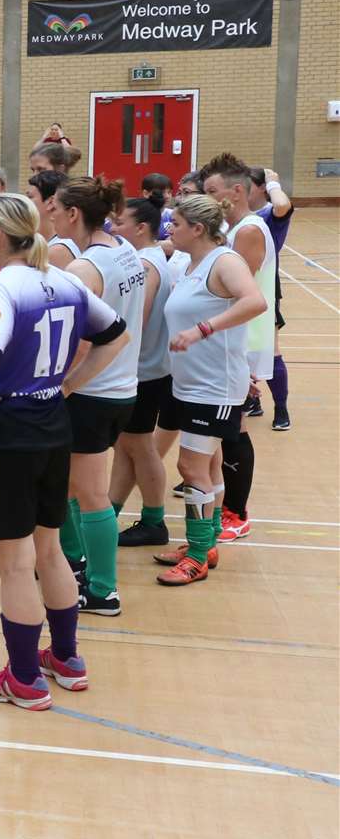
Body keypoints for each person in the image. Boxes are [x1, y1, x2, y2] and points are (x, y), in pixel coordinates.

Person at [0, 193, 128, 710]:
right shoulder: (66, 281)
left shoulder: (0, 289)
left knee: (14, 564)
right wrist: (69, 386)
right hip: (54, 424)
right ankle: (67, 659)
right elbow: (115, 336)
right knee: (49, 548)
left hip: (6, 432)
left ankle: (25, 679)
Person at [151, 193, 265, 585]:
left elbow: (255, 301)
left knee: (190, 467)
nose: (170, 229)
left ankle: (197, 554)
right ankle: (207, 542)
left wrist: (203, 330)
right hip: (192, 383)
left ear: (198, 229)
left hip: (213, 387)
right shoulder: (192, 262)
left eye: (177, 224)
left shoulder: (225, 260)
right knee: (210, 463)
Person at [52, 176, 146, 617]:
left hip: (93, 393)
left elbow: (85, 342)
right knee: (75, 488)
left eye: (55, 209)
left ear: (74, 214)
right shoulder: (125, 251)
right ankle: (78, 564)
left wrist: (63, 384)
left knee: (90, 495)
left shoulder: (83, 270)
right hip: (121, 388)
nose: (49, 216)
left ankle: (103, 590)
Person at [199, 155, 272, 541]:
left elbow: (241, 294)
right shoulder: (233, 227)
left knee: (235, 429)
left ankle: (237, 513)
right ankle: (225, 505)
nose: (208, 198)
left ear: (237, 191)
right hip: (229, 342)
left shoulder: (248, 230)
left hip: (241, 342)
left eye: (213, 192)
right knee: (226, 428)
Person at [110, 190, 173, 549]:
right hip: (147, 368)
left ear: (142, 228)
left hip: (144, 371)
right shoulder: (146, 258)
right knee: (127, 446)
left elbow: (139, 317)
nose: (114, 227)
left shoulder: (147, 266)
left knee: (140, 446)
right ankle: (108, 512)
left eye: (121, 222)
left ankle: (154, 520)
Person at [249, 166, 294, 430]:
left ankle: (282, 408)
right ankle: (251, 400)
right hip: (233, 283)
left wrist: (274, 183)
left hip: (264, 287)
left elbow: (282, 205)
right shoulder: (236, 215)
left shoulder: (268, 214)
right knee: (240, 347)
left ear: (261, 188)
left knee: (269, 349)